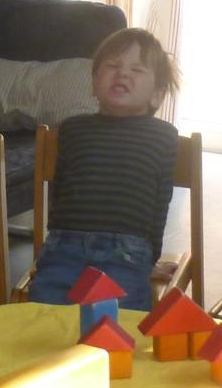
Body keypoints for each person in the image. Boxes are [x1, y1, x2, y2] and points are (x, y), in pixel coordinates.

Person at [26, 27, 180, 313]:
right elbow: (60, 188)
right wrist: (52, 245)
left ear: (157, 95)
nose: (122, 74)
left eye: (137, 69)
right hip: (63, 247)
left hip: (126, 254)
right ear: (94, 83)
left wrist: (149, 260)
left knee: (119, 330)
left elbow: (160, 201)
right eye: (112, 66)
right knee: (43, 320)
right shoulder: (73, 128)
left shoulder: (164, 135)